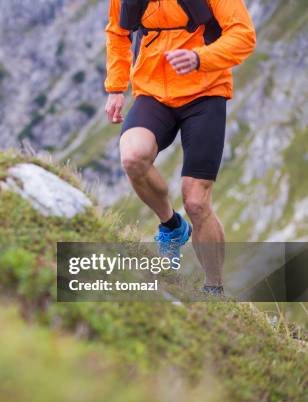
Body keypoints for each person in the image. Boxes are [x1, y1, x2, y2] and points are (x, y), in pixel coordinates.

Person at [104, 0, 256, 294]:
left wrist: (201, 58)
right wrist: (116, 87)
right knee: (133, 157)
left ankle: (214, 290)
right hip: (152, 91)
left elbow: (243, 35)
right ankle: (172, 226)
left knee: (197, 202)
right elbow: (118, 32)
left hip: (205, 92)